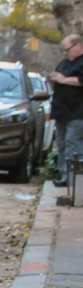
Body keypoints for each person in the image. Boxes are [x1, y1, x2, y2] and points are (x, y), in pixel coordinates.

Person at [49, 33, 83, 186]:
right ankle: (64, 175)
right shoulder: (64, 63)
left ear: (78, 45)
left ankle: (74, 176)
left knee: (72, 144)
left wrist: (64, 79)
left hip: (77, 112)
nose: (65, 53)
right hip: (61, 112)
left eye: (67, 49)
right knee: (62, 144)